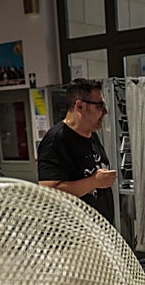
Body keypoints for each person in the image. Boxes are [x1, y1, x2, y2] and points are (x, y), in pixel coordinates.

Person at [36, 78, 117, 226]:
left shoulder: (92, 135)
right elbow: (48, 194)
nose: (105, 111)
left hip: (100, 231)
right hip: (73, 238)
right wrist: (94, 182)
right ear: (80, 106)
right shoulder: (56, 140)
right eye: (99, 106)